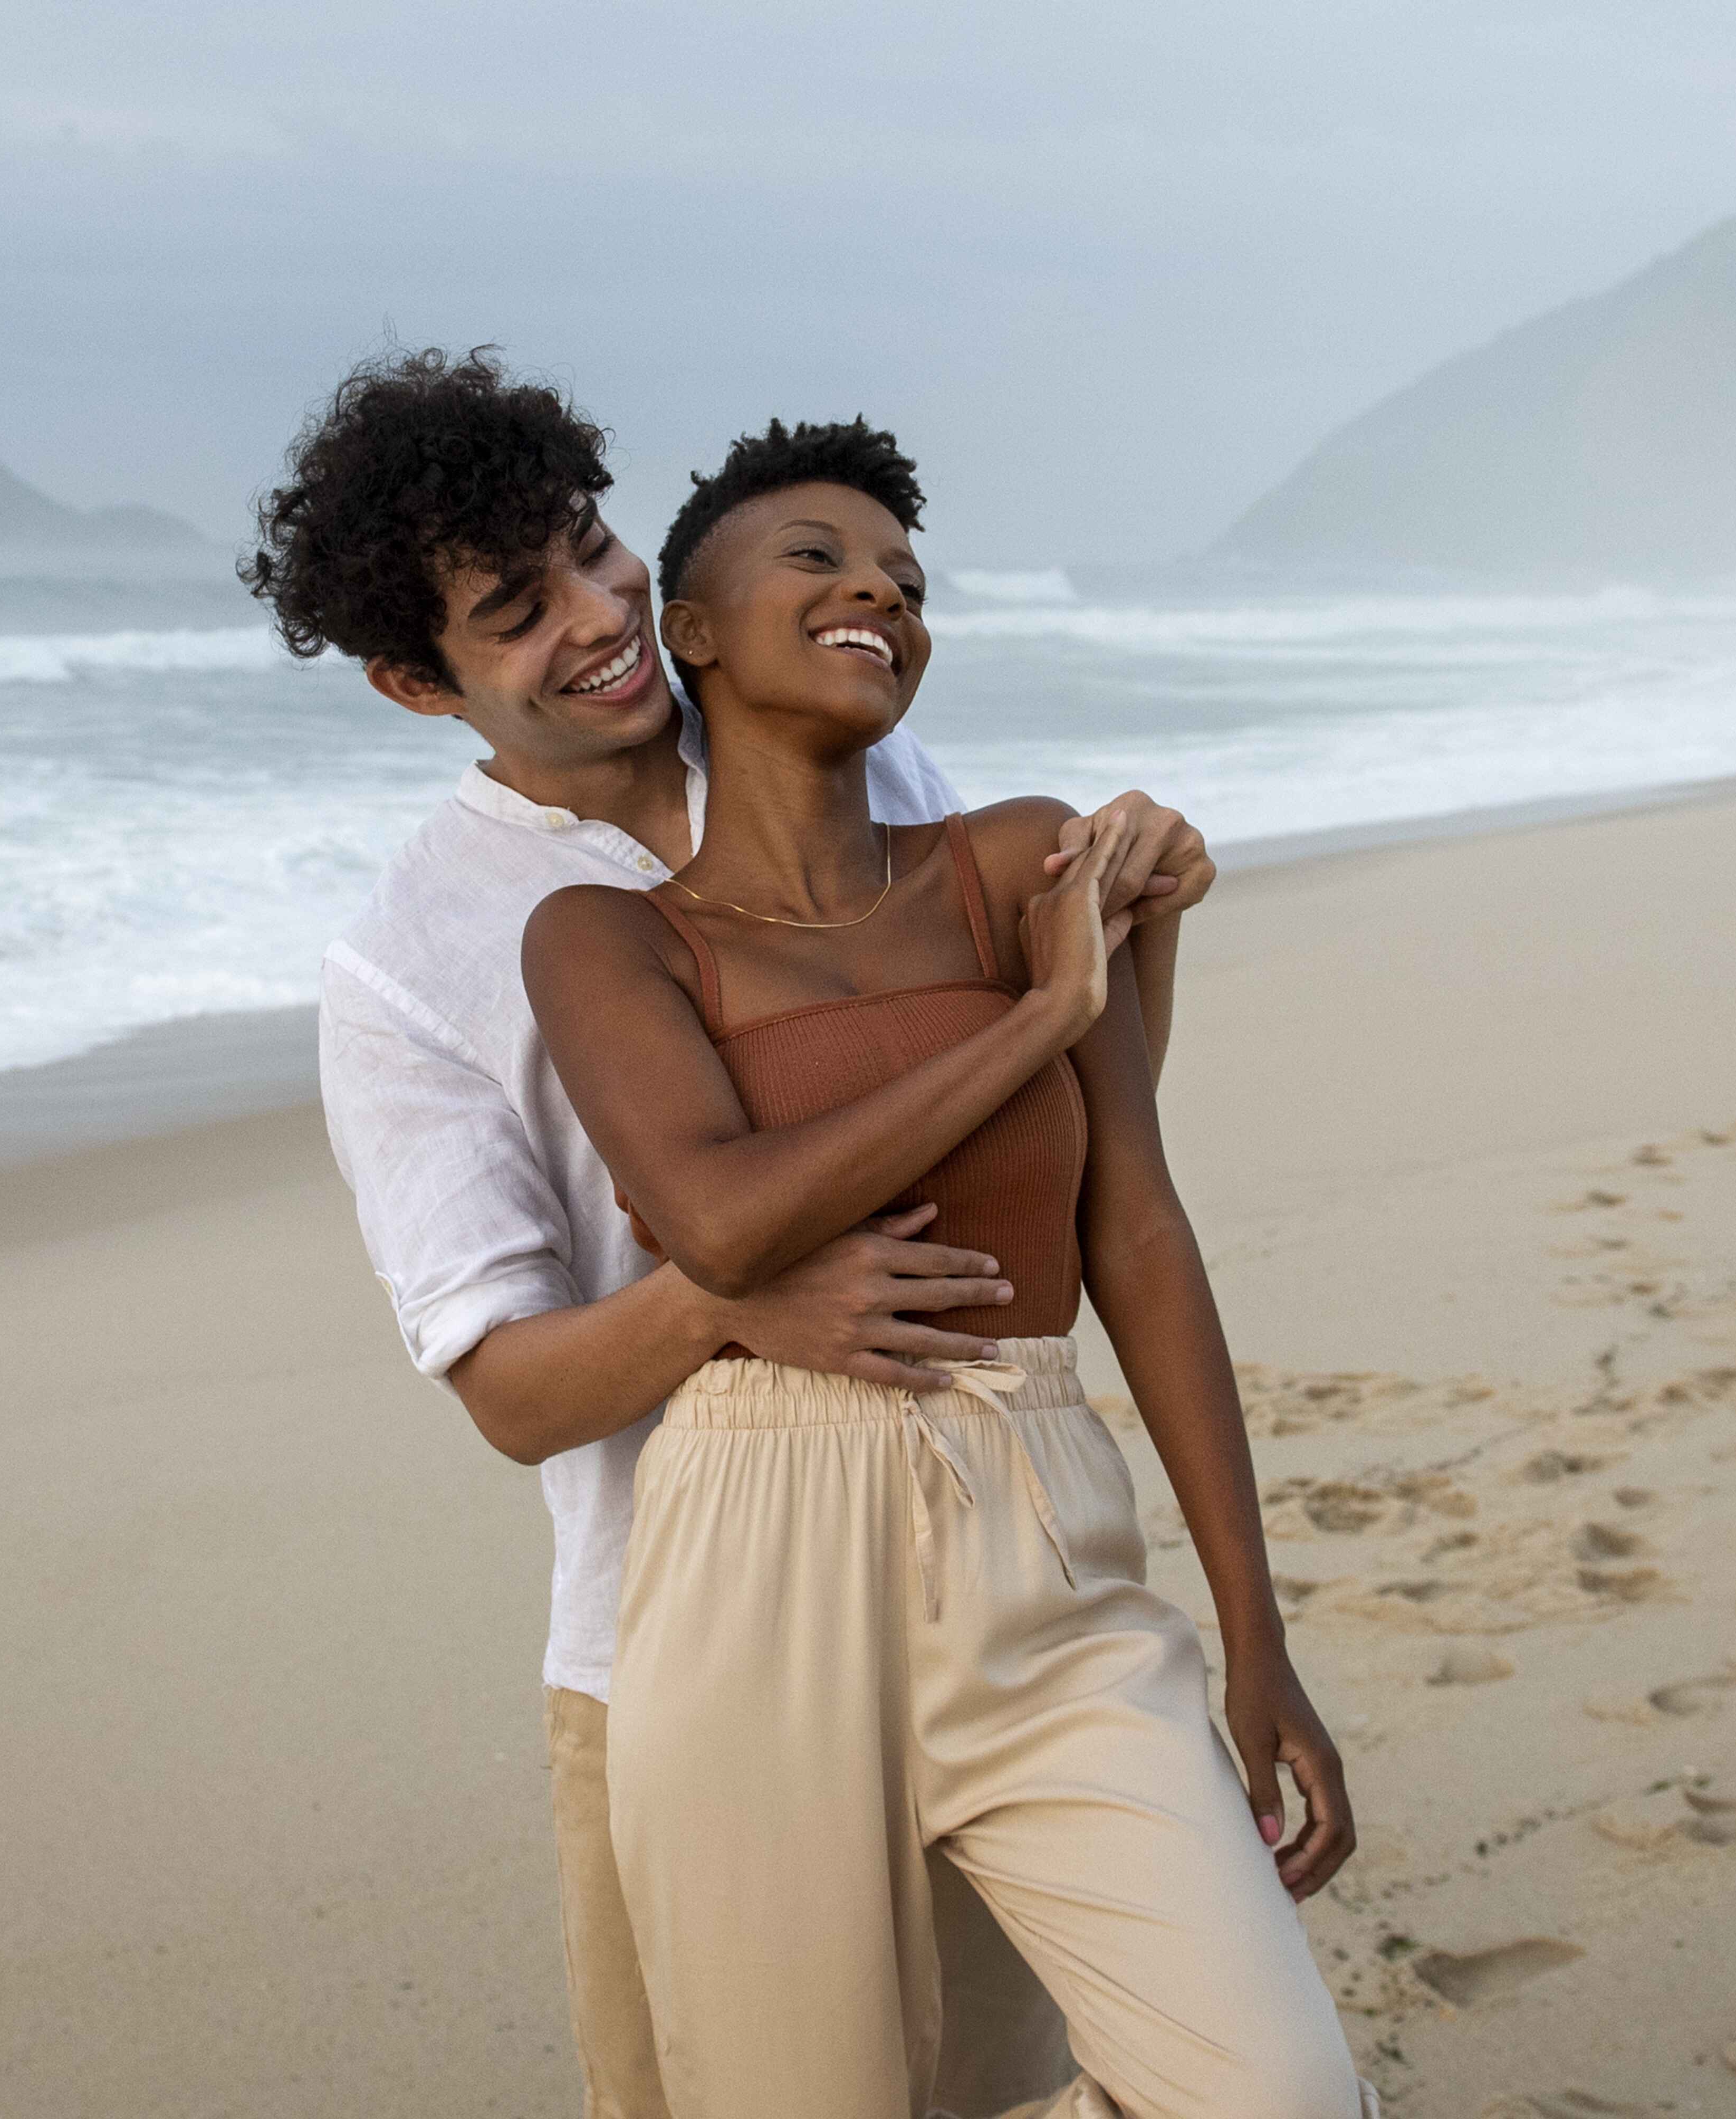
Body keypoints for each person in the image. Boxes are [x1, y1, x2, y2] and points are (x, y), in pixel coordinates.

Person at [253, 349, 1222, 2117]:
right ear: (419, 683)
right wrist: (733, 1303)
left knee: (1012, 2077)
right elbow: (509, 1390)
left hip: (983, 1551)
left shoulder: (851, 747)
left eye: (598, 553)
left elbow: (1065, 1130)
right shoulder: (407, 971)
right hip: (671, 1639)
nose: (598, 617)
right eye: (516, 611)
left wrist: (1137, 902)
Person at [521, 417, 1371, 2119]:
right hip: (751, 1567)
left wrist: (1256, 1636)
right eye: (819, 561)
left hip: (1042, 1537)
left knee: (1273, 2092)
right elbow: (728, 1225)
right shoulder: (607, 937)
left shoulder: (1013, 863)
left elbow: (1132, 1233)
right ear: (690, 628)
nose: (879, 597)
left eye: (907, 582)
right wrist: (1052, 1016)